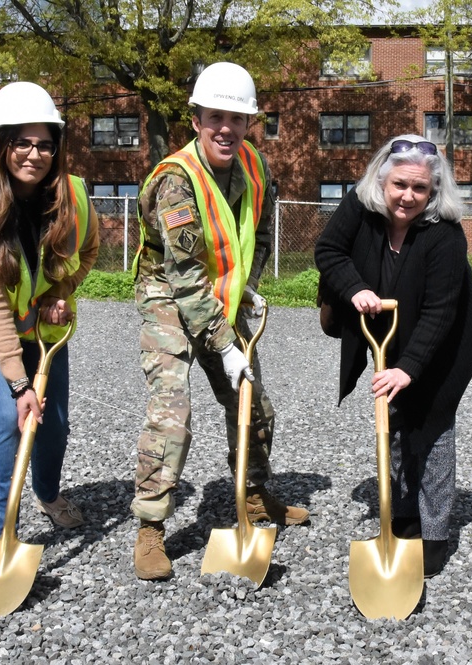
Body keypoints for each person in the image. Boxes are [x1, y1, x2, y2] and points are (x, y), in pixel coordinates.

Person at [130, 61, 309, 581]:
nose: (226, 128)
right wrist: (223, 344)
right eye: (215, 117)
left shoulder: (254, 165)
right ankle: (150, 529)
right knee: (173, 410)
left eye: (237, 117)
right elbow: (184, 276)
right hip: (168, 294)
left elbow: (261, 231)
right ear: (196, 119)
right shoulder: (175, 181)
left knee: (254, 402)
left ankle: (253, 498)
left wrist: (249, 285)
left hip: (221, 296)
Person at [315, 135, 472, 578]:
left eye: (420, 188)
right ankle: (404, 512)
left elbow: (441, 310)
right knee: (394, 422)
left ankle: (435, 533)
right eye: (400, 185)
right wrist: (356, 288)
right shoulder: (360, 208)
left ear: (433, 192)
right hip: (386, 333)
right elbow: (327, 251)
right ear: (382, 181)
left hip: (444, 343)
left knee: (432, 429)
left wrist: (410, 368)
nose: (408, 196)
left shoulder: (445, 234)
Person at [0, 81, 99, 538]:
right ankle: (0, 533)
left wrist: (59, 292)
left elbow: (86, 254)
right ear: (1, 145)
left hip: (42, 326)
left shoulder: (72, 195)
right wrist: (18, 383)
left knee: (55, 423)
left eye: (45, 144)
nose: (34, 154)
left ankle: (47, 494)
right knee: (11, 416)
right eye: (22, 142)